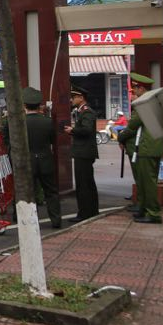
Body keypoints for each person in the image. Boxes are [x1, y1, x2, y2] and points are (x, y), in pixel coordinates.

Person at [3, 87, 62, 229]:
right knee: (51, 192)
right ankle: (56, 220)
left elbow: (8, 141)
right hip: (45, 160)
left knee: (24, 191)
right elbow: (53, 140)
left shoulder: (16, 122)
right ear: (39, 105)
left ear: (24, 105)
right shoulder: (48, 122)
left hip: (25, 162)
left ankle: (22, 218)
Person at [119, 72, 163, 224]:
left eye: (135, 88)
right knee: (146, 182)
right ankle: (145, 209)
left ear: (142, 88)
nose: (134, 91)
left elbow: (133, 125)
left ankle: (153, 213)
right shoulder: (153, 101)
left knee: (148, 184)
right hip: (151, 147)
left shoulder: (144, 104)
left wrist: (121, 137)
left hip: (147, 148)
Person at [65, 85, 99, 222]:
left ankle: (85, 213)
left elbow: (86, 130)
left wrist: (72, 130)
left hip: (83, 152)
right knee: (88, 183)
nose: (71, 100)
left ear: (81, 97)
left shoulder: (87, 112)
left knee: (83, 184)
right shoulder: (82, 111)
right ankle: (92, 211)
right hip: (84, 152)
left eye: (73, 97)